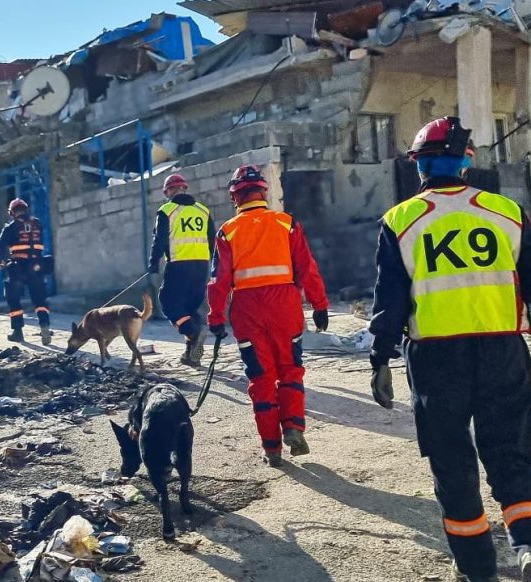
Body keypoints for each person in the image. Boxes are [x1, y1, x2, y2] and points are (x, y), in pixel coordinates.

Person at [369, 116, 531, 582]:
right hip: (503, 350)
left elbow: (390, 300)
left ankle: (478, 569)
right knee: (512, 449)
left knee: (452, 458)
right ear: (466, 163)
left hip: (437, 358)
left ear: (419, 165)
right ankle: (525, 544)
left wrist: (380, 357)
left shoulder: (400, 221)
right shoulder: (507, 212)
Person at [207, 165, 329, 467]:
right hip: (285, 305)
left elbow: (218, 280)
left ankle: (272, 448)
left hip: (247, 309)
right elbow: (307, 267)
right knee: (290, 370)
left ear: (235, 197)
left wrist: (216, 318)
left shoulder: (227, 231)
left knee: (261, 377)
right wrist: (320, 304)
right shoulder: (286, 223)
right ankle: (293, 427)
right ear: (264, 192)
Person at [148, 173, 215, 366]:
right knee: (189, 309)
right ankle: (191, 355)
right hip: (201, 265)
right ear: (184, 188)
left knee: (168, 302)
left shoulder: (167, 210)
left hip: (179, 264)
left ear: (168, 191)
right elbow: (213, 240)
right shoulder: (203, 210)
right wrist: (215, 266)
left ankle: (194, 332)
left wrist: (153, 263)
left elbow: (159, 240)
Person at [0, 198, 52, 345]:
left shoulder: (10, 227)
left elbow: (0, 247)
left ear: (12, 213)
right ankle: (44, 325)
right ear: (26, 209)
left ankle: (18, 332)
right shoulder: (37, 224)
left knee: (13, 299)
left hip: (18, 267)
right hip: (37, 266)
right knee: (40, 299)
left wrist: (0, 261)